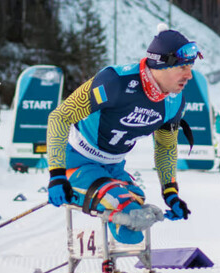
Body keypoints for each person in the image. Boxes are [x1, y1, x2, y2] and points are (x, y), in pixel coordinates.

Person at [45, 25, 201, 248]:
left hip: (114, 166)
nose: (189, 75)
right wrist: (57, 175)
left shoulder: (175, 101)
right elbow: (60, 117)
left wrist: (171, 193)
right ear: (162, 65)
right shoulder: (115, 82)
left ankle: (107, 249)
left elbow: (166, 148)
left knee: (138, 209)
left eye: (191, 67)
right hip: (77, 160)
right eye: (183, 67)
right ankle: (96, 239)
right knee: (122, 207)